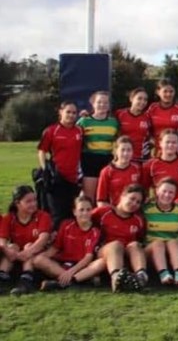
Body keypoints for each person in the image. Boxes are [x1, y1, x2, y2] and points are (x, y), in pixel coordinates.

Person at [34, 195, 103, 291]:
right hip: (62, 264)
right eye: (81, 210)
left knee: (101, 263)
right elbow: (55, 247)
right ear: (74, 212)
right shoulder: (66, 225)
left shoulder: (95, 231)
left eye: (88, 210)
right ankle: (75, 281)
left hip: (81, 266)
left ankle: (65, 282)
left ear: (92, 210)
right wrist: (43, 256)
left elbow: (88, 257)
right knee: (39, 259)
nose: (85, 213)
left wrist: (71, 272)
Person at [92, 184, 147, 293]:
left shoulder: (139, 220)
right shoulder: (103, 212)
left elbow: (141, 239)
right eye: (132, 199)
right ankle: (116, 279)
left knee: (135, 245)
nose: (134, 204)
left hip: (127, 254)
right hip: (106, 251)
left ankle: (141, 278)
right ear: (122, 196)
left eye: (138, 202)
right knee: (116, 244)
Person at [37, 100, 83, 230]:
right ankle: (52, 243)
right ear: (61, 112)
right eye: (68, 112)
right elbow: (42, 151)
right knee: (57, 214)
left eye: (74, 113)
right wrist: (46, 169)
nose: (71, 115)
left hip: (74, 179)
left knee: (71, 212)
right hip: (57, 179)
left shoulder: (79, 130)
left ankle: (68, 241)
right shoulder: (51, 130)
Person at [0, 185, 52, 295]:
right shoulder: (9, 218)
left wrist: (26, 252)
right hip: (16, 256)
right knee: (12, 247)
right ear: (17, 203)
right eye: (28, 201)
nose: (33, 204)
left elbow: (43, 239)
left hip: (36, 256)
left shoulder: (43, 216)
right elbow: (2, 240)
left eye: (34, 200)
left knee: (29, 246)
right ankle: (2, 277)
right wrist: (8, 250)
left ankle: (26, 281)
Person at [143, 178, 178, 286]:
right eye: (164, 191)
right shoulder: (146, 209)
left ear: (175, 194)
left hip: (174, 252)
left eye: (171, 192)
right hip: (151, 252)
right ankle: (163, 274)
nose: (167, 195)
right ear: (157, 191)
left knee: (173, 242)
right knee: (158, 243)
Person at [76, 91, 119, 201]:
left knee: (106, 196)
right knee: (89, 197)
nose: (102, 105)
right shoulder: (84, 121)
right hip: (90, 160)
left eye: (105, 102)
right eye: (99, 102)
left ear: (109, 105)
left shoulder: (114, 122)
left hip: (108, 160)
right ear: (92, 104)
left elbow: (118, 141)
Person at [146, 78, 178, 156]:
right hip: (158, 151)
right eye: (165, 91)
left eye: (171, 91)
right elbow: (147, 128)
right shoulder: (152, 108)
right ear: (158, 92)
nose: (168, 94)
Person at [142, 129, 178, 195]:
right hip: (161, 203)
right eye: (167, 142)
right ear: (160, 143)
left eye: (174, 142)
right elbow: (144, 189)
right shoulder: (150, 165)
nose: (170, 145)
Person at [96, 136, 143, 207]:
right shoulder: (106, 171)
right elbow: (101, 201)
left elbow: (142, 195)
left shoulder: (137, 169)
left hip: (133, 211)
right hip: (114, 210)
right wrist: (117, 212)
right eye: (122, 150)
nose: (125, 153)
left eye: (129, 150)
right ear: (116, 151)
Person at [114, 87, 151, 162]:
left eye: (145, 99)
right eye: (139, 98)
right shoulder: (119, 114)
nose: (142, 102)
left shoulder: (148, 117)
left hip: (142, 158)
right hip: (122, 157)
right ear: (131, 99)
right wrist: (88, 114)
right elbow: (102, 117)